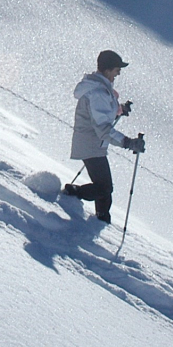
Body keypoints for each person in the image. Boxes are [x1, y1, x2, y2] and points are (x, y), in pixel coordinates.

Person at [62, 50, 143, 223]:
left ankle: (101, 217)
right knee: (104, 188)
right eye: (116, 69)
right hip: (91, 145)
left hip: (93, 144)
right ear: (107, 70)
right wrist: (128, 142)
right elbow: (103, 128)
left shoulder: (99, 88)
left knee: (104, 188)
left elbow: (101, 115)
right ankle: (73, 193)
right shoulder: (98, 92)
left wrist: (119, 110)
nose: (119, 73)